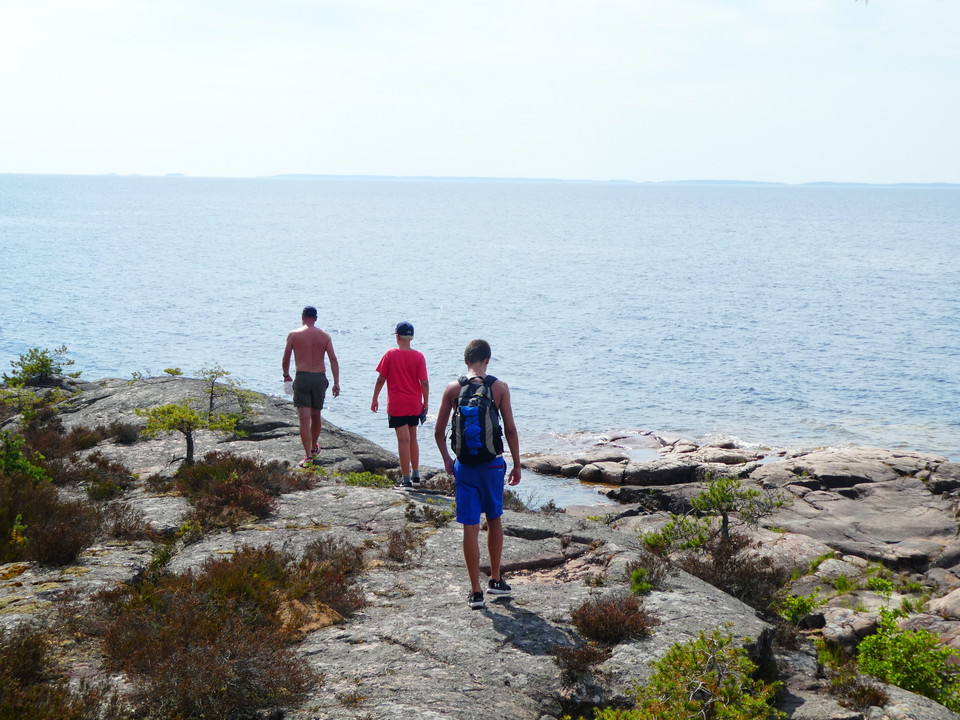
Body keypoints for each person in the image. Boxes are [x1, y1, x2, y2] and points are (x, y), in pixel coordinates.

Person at [434, 339, 521, 609]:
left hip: (465, 466)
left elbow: (438, 432)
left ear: (466, 361)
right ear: (488, 360)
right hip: (492, 465)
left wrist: (448, 460)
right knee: (494, 518)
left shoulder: (452, 388)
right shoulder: (499, 387)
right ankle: (495, 580)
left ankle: (475, 592)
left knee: (469, 527)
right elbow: (510, 430)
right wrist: (517, 464)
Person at [371, 321, 429, 488]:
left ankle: (406, 479)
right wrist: (426, 402)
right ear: (411, 337)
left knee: (403, 440)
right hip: (414, 403)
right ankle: (416, 475)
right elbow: (424, 382)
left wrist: (375, 398)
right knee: (413, 438)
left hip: (397, 404)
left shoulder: (390, 355)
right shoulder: (419, 356)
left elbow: (381, 379)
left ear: (398, 336)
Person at [282, 306, 340, 467]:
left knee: (304, 419)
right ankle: (314, 447)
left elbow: (286, 359)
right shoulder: (325, 336)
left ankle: (308, 456)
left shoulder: (294, 335)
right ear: (316, 318)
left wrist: (286, 375)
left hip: (303, 377)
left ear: (302, 317)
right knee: (316, 415)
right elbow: (333, 360)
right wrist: (336, 382)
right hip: (319, 378)